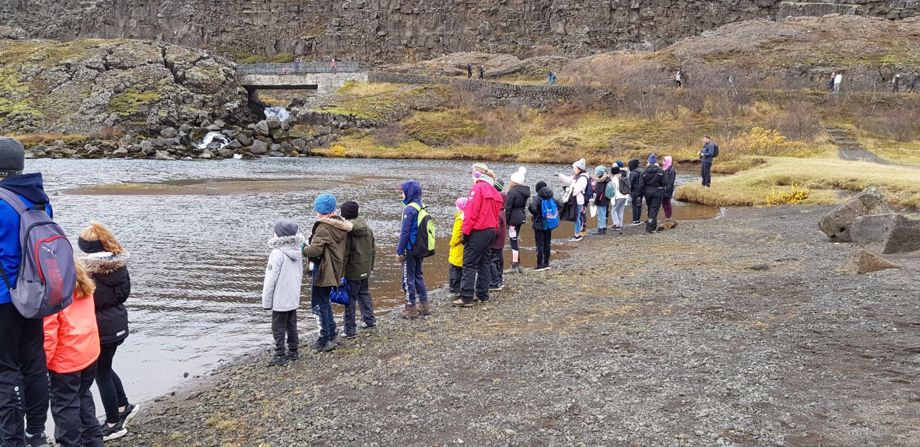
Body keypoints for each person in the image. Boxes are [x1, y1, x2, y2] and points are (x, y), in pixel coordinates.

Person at [0, 137, 53, 447]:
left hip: (4, 298)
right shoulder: (38, 198)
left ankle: (10, 439)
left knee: (6, 369)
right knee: (34, 364)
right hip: (33, 295)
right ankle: (36, 433)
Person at [78, 222, 138, 440]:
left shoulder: (88, 271)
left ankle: (113, 424)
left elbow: (85, 299)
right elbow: (123, 294)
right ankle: (123, 406)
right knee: (106, 367)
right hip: (119, 323)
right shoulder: (119, 264)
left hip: (100, 328)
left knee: (100, 373)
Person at [44, 260, 103, 447]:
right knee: (83, 395)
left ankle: (70, 443)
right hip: (89, 352)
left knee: (65, 405)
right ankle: (94, 440)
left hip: (66, 360)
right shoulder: (86, 287)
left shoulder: (54, 294)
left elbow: (49, 333)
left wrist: (42, 363)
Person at [302, 193, 352, 352]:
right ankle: (332, 334)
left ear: (319, 210)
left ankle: (324, 339)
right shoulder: (339, 224)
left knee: (319, 304)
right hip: (334, 270)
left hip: (323, 270)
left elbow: (313, 250)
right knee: (325, 302)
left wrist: (302, 247)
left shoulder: (323, 227)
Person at [454, 163, 503, 307]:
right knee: (484, 262)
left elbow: (471, 212)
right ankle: (483, 294)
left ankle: (467, 297)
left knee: (469, 263)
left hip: (479, 230)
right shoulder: (495, 192)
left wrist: (465, 232)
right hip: (491, 230)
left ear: (476, 175)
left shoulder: (478, 188)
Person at [261, 221, 304, 366]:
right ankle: (293, 351)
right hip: (292, 295)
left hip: (280, 297)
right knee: (291, 324)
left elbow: (270, 279)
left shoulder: (276, 253)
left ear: (279, 235)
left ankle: (280, 353)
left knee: (278, 326)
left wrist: (266, 302)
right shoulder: (298, 250)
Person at [341, 201, 377, 336]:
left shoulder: (348, 232)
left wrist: (341, 272)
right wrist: (371, 267)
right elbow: (373, 250)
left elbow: (345, 255)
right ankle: (369, 320)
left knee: (350, 300)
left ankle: (349, 330)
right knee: (364, 294)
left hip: (352, 271)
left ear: (344, 215)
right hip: (365, 268)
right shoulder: (368, 229)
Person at [396, 180, 429, 318]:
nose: (401, 194)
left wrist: (399, 251)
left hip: (409, 248)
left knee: (407, 278)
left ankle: (411, 308)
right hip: (420, 247)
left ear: (408, 192)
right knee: (418, 275)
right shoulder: (421, 205)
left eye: (402, 191)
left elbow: (404, 233)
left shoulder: (409, 209)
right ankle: (424, 304)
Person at [504, 167, 530, 274]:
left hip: (513, 220)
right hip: (520, 217)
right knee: (514, 240)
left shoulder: (512, 192)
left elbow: (508, 208)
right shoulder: (524, 192)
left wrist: (505, 221)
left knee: (513, 241)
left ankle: (515, 265)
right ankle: (518, 263)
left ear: (513, 181)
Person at [557, 158, 589, 242]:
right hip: (576, 200)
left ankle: (577, 235)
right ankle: (577, 233)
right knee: (576, 217)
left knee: (577, 217)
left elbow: (576, 190)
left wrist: (568, 190)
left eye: (575, 168)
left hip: (578, 201)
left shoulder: (582, 178)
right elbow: (568, 179)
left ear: (579, 169)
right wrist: (559, 175)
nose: (574, 170)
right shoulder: (577, 176)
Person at [528, 181, 556, 271]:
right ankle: (546, 263)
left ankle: (540, 265)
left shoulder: (538, 198)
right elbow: (559, 205)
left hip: (539, 224)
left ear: (537, 189)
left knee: (539, 244)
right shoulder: (550, 196)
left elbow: (532, 207)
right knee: (547, 243)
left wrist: (537, 215)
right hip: (549, 223)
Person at [487, 179, 507, 292]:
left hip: (495, 242)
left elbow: (496, 230)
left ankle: (495, 283)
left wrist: (489, 238)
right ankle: (499, 279)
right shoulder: (502, 211)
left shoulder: (497, 213)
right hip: (500, 242)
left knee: (492, 261)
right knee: (498, 260)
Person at [639, 154, 666, 234]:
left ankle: (653, 227)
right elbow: (665, 182)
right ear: (655, 162)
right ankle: (649, 228)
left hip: (647, 192)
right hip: (658, 191)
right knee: (654, 209)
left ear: (649, 162)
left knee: (651, 208)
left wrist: (640, 194)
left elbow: (641, 185)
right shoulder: (661, 171)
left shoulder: (644, 172)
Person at [448, 198, 468, 296]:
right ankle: (460, 288)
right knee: (462, 269)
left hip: (457, 248)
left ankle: (454, 290)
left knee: (454, 269)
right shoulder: (468, 216)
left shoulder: (459, 219)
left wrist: (451, 243)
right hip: (465, 248)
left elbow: (456, 235)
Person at [592, 166, 612, 235]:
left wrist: (595, 200)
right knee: (603, 213)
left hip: (601, 199)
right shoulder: (607, 178)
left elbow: (598, 191)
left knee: (600, 214)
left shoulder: (600, 181)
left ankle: (601, 229)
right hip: (606, 198)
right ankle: (603, 228)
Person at [610, 162, 629, 233]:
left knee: (613, 210)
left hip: (618, 196)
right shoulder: (624, 176)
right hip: (625, 195)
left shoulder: (615, 178)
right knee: (621, 210)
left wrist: (612, 200)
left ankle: (616, 224)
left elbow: (613, 189)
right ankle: (620, 224)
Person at [627, 159, 643, 225]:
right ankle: (638, 220)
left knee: (635, 206)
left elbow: (629, 183)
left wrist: (628, 191)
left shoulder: (633, 173)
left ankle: (635, 220)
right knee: (639, 205)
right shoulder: (641, 171)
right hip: (641, 191)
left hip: (634, 192)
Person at [661, 156, 677, 220]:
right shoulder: (663, 168)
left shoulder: (671, 170)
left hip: (668, 189)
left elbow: (671, 182)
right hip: (663, 189)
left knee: (667, 202)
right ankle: (666, 216)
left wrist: (667, 188)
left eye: (664, 161)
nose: (662, 162)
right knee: (664, 203)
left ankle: (669, 216)